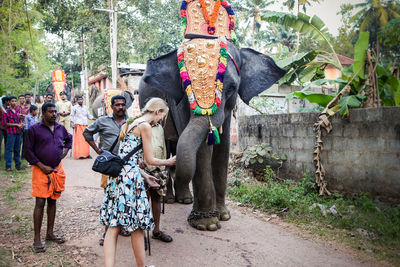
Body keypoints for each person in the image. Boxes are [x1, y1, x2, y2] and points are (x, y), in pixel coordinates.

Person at [101, 97, 176, 267]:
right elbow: (150, 159)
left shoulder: (131, 122)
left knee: (113, 226)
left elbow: (126, 159)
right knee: (137, 226)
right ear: (157, 112)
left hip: (118, 177)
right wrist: (169, 162)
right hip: (130, 181)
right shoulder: (145, 126)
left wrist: (144, 175)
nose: (160, 121)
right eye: (161, 117)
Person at [25, 102, 72, 253]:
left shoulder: (60, 128)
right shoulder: (34, 130)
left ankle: (50, 233)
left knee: (53, 200)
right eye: (50, 112)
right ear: (43, 113)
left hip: (56, 170)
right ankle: (37, 239)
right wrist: (41, 165)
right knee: (40, 202)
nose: (54, 114)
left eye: (55, 112)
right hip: (40, 170)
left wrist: (63, 154)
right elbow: (28, 151)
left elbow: (69, 139)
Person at [83, 94, 128, 245]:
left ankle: (122, 226)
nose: (120, 107)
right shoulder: (102, 121)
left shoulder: (132, 122)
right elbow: (87, 133)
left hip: (127, 165)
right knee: (109, 197)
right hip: (109, 165)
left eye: (122, 104)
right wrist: (97, 150)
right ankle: (107, 231)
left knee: (125, 197)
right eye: (117, 105)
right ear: (112, 106)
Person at [143, 123, 173, 243]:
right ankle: (142, 234)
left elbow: (163, 147)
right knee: (144, 201)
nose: (161, 118)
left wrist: (164, 166)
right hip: (144, 168)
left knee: (157, 198)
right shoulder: (141, 125)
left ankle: (156, 231)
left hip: (158, 168)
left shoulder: (159, 127)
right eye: (160, 114)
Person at [3, 96, 24, 172]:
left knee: (17, 150)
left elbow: (18, 121)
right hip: (11, 133)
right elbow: (5, 123)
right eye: (12, 101)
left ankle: (18, 165)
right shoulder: (7, 111)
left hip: (18, 132)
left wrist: (21, 124)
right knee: (9, 150)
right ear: (9, 102)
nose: (14, 103)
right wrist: (16, 125)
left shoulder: (17, 111)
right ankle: (8, 166)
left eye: (15, 101)